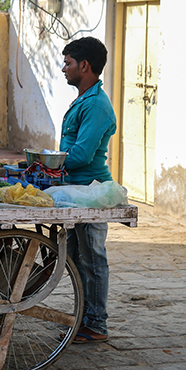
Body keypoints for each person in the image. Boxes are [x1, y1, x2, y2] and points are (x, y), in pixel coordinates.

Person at [59, 36, 118, 343]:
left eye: (68, 63)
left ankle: (96, 323)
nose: (64, 69)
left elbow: (80, 156)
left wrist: (50, 162)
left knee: (92, 257)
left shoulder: (96, 105)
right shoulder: (84, 99)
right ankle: (82, 316)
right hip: (74, 191)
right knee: (72, 255)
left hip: (91, 191)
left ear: (84, 66)